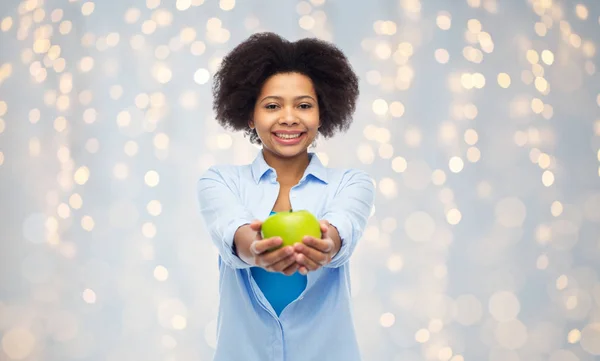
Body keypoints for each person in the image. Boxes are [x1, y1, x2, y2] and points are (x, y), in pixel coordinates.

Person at [197, 32, 375, 361]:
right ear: (250, 115)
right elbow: (233, 232)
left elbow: (342, 227)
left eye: (304, 105)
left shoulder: (351, 183)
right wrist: (257, 252)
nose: (289, 117)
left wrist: (326, 245)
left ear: (322, 113)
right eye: (272, 105)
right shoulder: (221, 181)